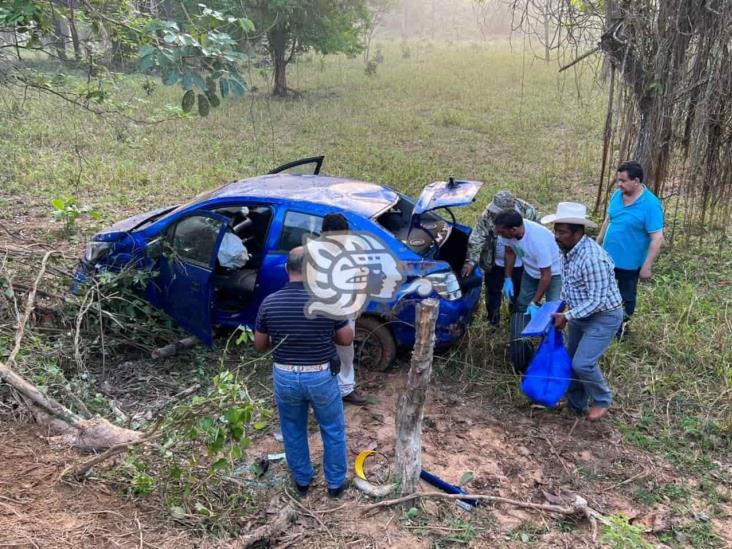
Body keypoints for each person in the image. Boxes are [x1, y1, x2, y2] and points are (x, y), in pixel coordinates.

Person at [254, 247, 353, 497]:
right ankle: (335, 483)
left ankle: (302, 481)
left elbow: (260, 345)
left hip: (285, 375)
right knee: (332, 428)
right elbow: (345, 339)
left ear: (287, 269)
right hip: (320, 376)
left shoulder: (270, 302)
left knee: (292, 427)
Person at [543, 202, 623, 422]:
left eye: (562, 232)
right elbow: (569, 286)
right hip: (580, 313)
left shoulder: (592, 258)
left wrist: (567, 316)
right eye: (555, 231)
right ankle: (575, 404)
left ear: (578, 233)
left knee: (583, 363)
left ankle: (603, 399)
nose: (557, 236)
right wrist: (559, 309)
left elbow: (597, 301)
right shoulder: (567, 251)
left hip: (603, 316)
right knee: (571, 361)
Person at [596, 161, 664, 335]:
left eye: (623, 181)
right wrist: (599, 240)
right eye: (618, 180)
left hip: (630, 263)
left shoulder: (651, 204)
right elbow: (609, 219)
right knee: (601, 292)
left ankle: (621, 328)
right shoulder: (617, 196)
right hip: (606, 258)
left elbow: (657, 238)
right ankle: (601, 325)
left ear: (636, 181)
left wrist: (647, 266)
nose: (619, 184)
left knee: (626, 297)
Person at [462, 191, 539, 326]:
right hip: (494, 262)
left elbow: (536, 235)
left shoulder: (528, 211)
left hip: (520, 263)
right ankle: (493, 322)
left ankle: (516, 322)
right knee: (492, 292)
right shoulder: (488, 214)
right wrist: (471, 261)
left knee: (519, 295)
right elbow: (477, 237)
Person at [321, 212, 368, 405]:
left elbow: (362, 275)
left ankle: (346, 388)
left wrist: (360, 301)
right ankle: (323, 391)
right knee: (321, 350)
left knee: (346, 350)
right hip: (321, 311)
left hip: (346, 309)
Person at [494, 210, 562, 316]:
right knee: (522, 304)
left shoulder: (538, 241)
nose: (498, 234)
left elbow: (546, 276)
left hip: (553, 273)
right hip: (530, 271)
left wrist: (535, 302)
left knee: (553, 308)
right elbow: (510, 252)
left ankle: (548, 330)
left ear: (513, 230)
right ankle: (522, 329)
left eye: (501, 232)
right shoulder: (507, 234)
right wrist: (507, 278)